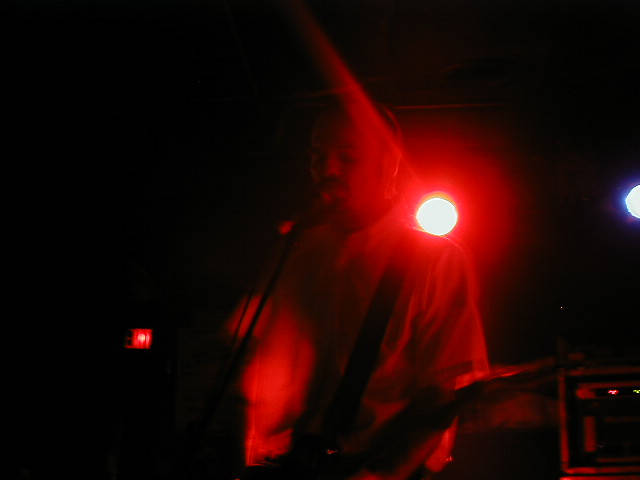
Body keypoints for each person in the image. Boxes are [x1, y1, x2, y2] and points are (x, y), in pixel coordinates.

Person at [223, 98, 489, 480]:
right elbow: (243, 366)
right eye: (317, 157)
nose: (327, 170)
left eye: (347, 157)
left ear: (388, 163)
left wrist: (382, 474)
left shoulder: (434, 260)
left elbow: (443, 396)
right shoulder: (293, 252)